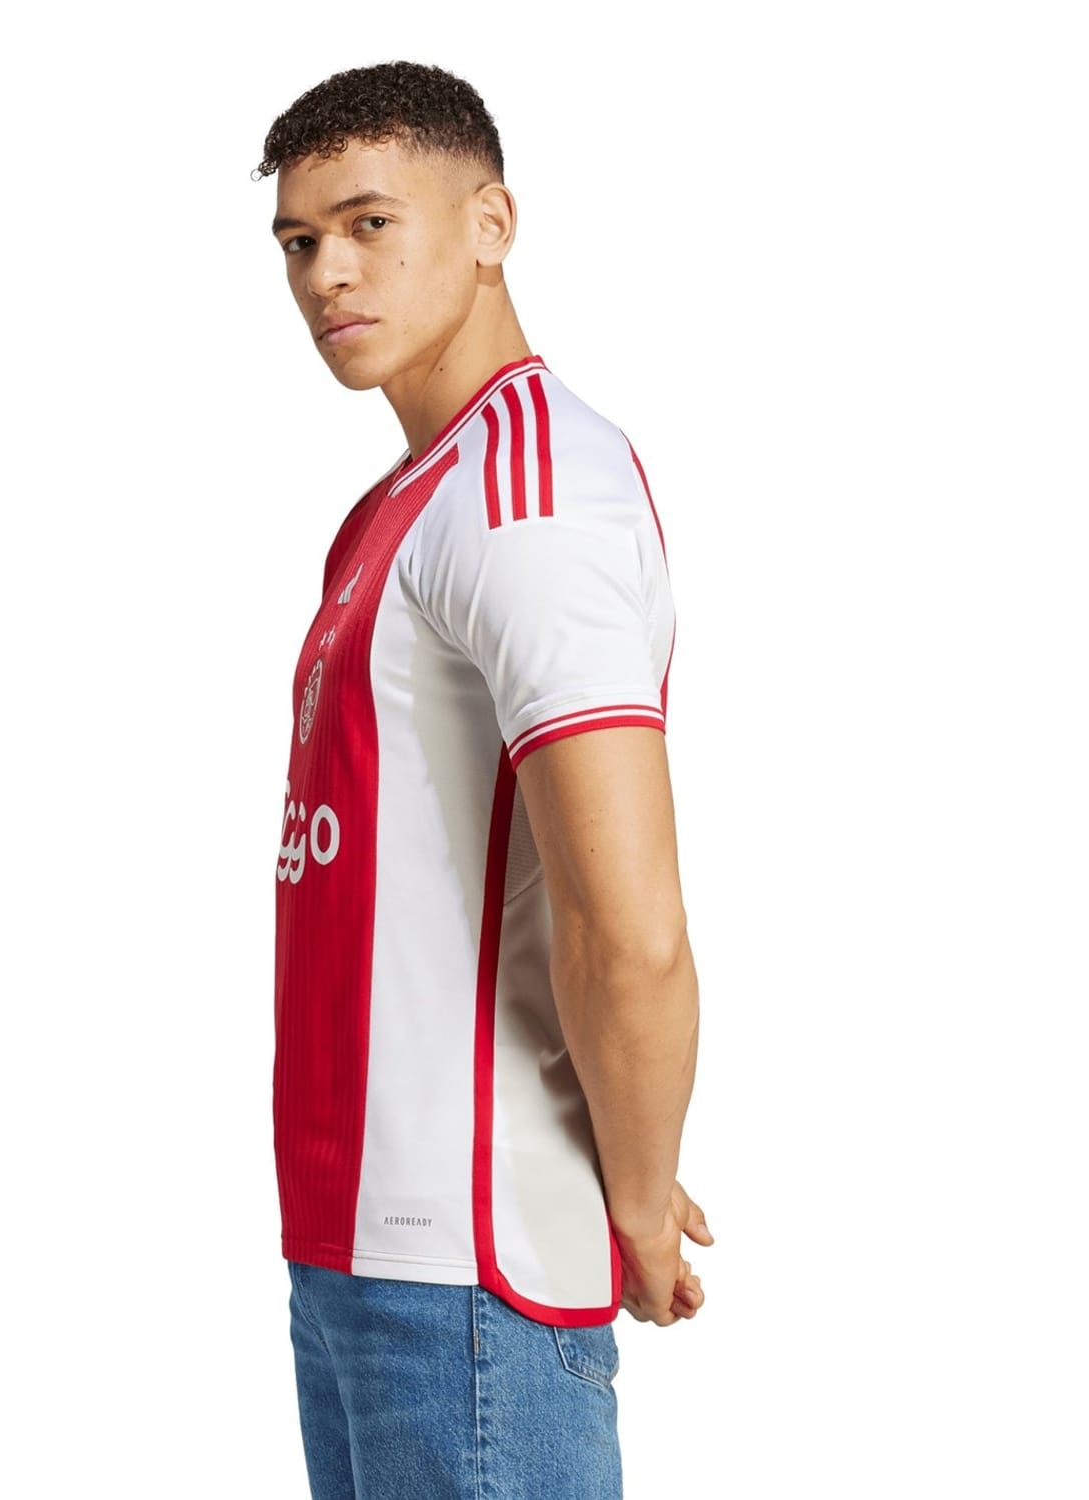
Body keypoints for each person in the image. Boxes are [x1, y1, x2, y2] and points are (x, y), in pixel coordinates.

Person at [257, 60, 711, 1499]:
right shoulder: (407, 501)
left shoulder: (534, 494)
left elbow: (627, 926)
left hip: (469, 1287)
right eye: (299, 241)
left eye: (370, 223)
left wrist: (635, 1194)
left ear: (492, 223)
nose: (328, 273)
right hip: (357, 1260)